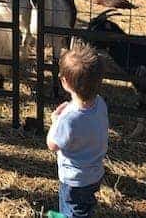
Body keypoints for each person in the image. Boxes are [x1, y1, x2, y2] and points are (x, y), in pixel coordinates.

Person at [46, 42, 108, 218]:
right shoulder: (100, 103)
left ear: (65, 82)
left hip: (74, 180)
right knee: (84, 204)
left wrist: (54, 121)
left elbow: (52, 144)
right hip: (95, 173)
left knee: (74, 209)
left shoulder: (68, 119)